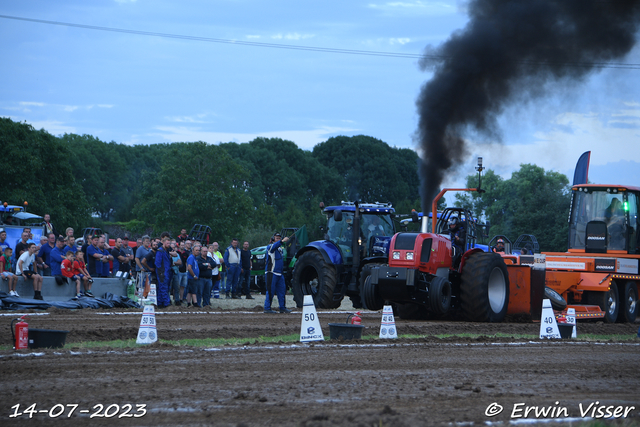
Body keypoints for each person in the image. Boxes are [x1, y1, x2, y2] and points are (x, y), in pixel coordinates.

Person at [264, 233, 292, 314]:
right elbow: (274, 246)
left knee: (282, 291)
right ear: (273, 239)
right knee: (270, 291)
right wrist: (282, 241)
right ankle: (267, 307)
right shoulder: (270, 247)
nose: (278, 239)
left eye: (279, 238)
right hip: (271, 273)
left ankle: (282, 307)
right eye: (277, 238)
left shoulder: (280, 249)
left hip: (279, 273)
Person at [155, 237, 173, 308]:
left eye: (169, 243)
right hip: (163, 272)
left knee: (162, 288)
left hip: (166, 272)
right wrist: (161, 272)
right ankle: (166, 303)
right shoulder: (160, 251)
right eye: (167, 243)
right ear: (164, 243)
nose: (169, 245)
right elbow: (157, 263)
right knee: (163, 288)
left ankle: (160, 303)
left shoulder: (166, 251)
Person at [177, 239, 191, 303]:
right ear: (179, 246)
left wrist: (186, 270)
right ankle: (176, 298)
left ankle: (181, 298)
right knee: (178, 286)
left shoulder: (186, 253)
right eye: (181, 245)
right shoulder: (177, 253)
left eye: (183, 245)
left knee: (183, 286)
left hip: (184, 272)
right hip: (179, 271)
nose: (182, 246)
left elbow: (186, 262)